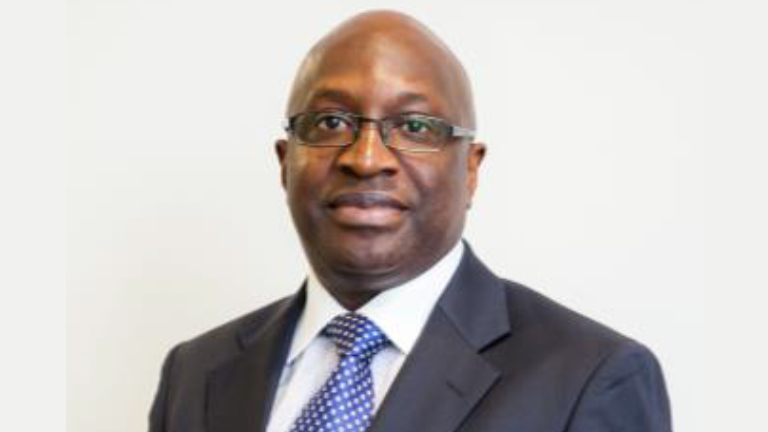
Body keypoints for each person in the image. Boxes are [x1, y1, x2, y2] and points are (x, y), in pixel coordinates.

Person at [149, 10, 672, 432]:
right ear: (286, 162)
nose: (366, 158)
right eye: (331, 121)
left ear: (470, 169)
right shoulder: (195, 374)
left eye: (415, 127)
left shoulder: (589, 377)